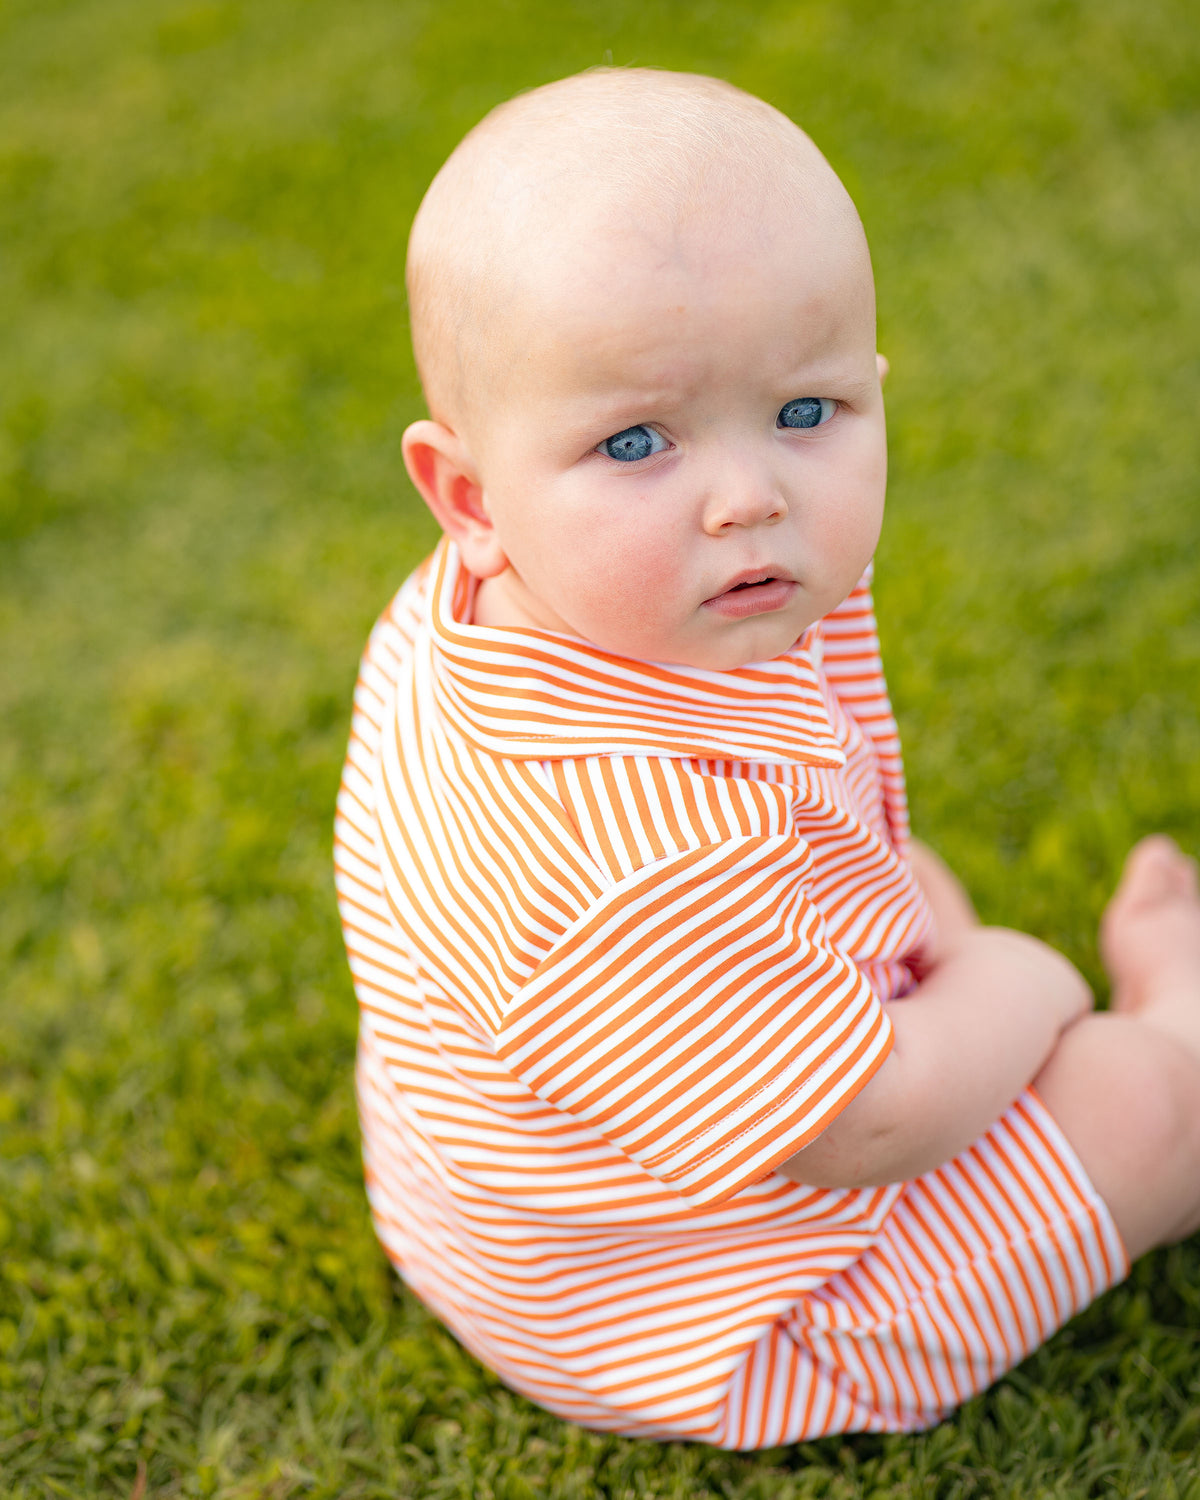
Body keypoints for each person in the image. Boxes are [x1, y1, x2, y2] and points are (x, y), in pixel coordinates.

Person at [333, 67, 1200, 1447]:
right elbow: (861, 1126)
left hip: (543, 1180)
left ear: (872, 389)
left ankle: (914, 986)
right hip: (724, 1321)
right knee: (1147, 1105)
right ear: (472, 494)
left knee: (914, 931)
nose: (750, 495)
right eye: (636, 442)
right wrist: (1021, 983)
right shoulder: (638, 854)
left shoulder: (548, 600)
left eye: (806, 412)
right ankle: (1175, 1017)